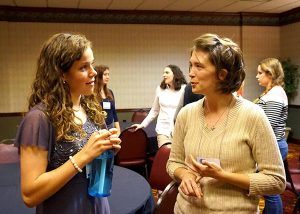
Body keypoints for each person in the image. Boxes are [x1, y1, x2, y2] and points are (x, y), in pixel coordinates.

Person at [167, 33, 286, 213]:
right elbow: (173, 163)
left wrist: (223, 176)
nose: (190, 72)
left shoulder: (252, 116)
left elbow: (276, 181)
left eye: (198, 66)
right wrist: (185, 175)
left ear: (222, 74)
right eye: (190, 65)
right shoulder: (186, 114)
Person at [15, 33, 121, 214]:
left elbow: (94, 157)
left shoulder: (91, 108)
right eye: (83, 67)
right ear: (62, 74)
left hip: (97, 205)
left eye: (92, 64)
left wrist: (107, 148)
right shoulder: (39, 119)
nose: (94, 72)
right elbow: (30, 195)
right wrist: (83, 156)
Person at [254, 58, 288, 214]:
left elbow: (267, 125)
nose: (257, 76)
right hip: (272, 145)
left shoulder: (275, 94)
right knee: (268, 191)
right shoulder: (270, 92)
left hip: (274, 146)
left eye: (260, 73)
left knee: (270, 191)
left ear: (271, 74)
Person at [132, 64, 187, 148]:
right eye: (163, 72)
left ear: (175, 74)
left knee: (176, 159)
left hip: (179, 131)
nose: (164, 75)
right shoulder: (160, 89)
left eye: (167, 72)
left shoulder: (184, 89)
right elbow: (154, 110)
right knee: (165, 155)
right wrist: (142, 124)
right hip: (162, 130)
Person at [94, 65, 121, 136]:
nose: (108, 77)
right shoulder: (92, 93)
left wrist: (118, 130)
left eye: (108, 74)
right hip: (98, 128)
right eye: (105, 74)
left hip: (111, 127)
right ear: (98, 76)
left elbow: (114, 112)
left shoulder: (110, 92)